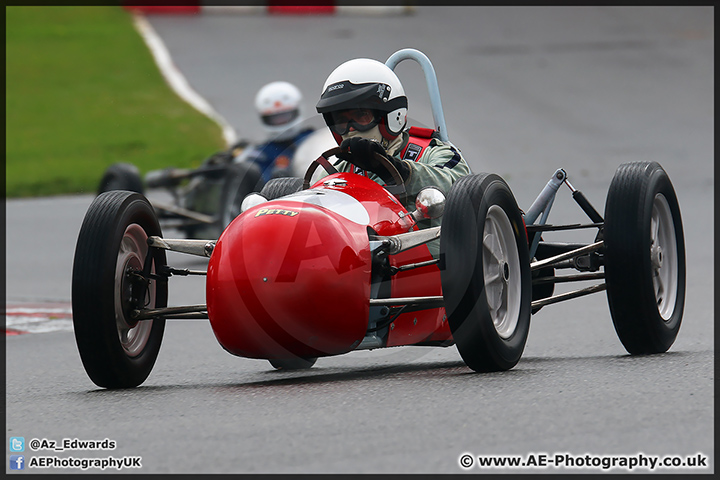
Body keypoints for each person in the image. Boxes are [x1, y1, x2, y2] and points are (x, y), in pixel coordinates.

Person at [315, 57, 471, 256]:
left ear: (392, 116)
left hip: (428, 267)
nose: (350, 129)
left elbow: (459, 185)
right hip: (356, 264)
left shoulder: (432, 151)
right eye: (340, 121)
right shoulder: (337, 170)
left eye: (361, 116)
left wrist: (396, 170)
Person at [234, 81, 316, 183]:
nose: (280, 122)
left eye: (285, 116)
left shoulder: (313, 139)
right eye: (275, 118)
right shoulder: (261, 154)